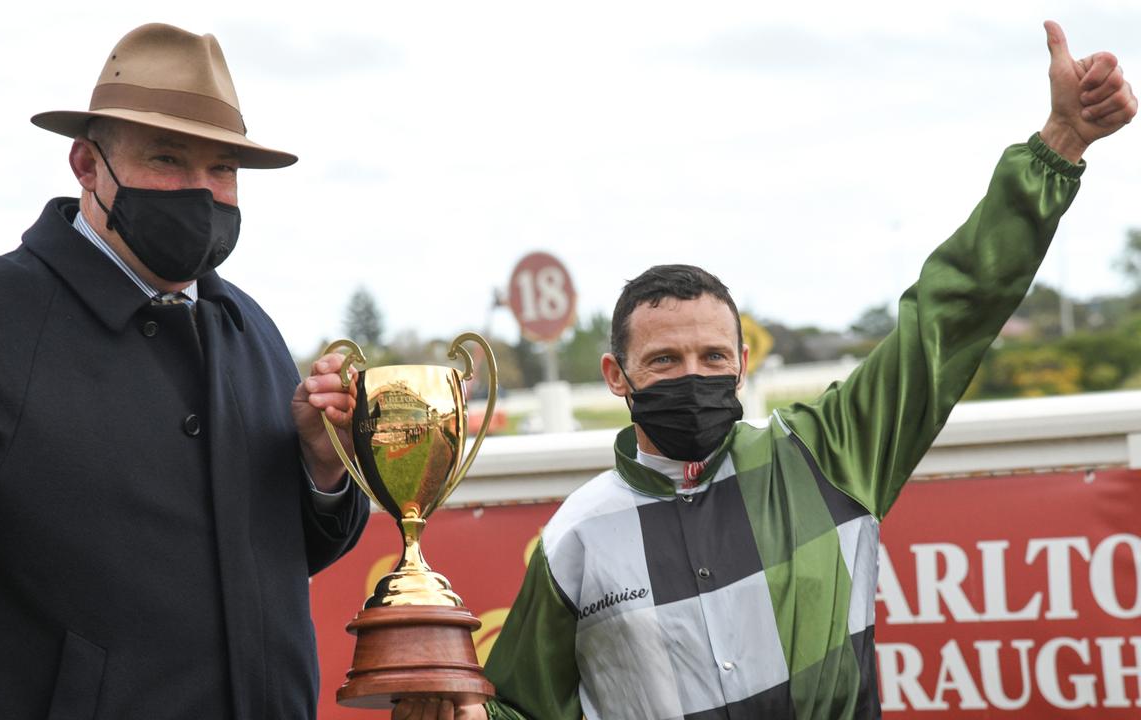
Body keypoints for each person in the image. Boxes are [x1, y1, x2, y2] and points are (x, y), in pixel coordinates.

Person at [392, 20, 1137, 720]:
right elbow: (523, 707)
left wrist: (1060, 145)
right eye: (665, 360)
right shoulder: (574, 539)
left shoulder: (832, 451)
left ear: (742, 363)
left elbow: (953, 310)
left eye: (713, 356)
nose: (694, 375)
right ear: (616, 376)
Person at [0, 23, 370, 719]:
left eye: (222, 169)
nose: (199, 191)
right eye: (167, 158)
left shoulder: (249, 329)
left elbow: (284, 558)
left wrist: (322, 467)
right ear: (86, 164)